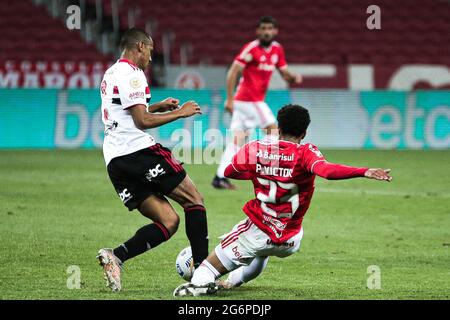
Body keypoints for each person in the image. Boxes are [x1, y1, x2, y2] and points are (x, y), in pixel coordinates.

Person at [174, 104, 392, 297]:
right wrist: (364, 171)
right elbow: (327, 171)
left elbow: (230, 171)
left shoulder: (256, 148)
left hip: (259, 231)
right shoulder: (306, 153)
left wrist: (260, 171)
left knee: (205, 269)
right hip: (291, 239)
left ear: (278, 128)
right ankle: (230, 283)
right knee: (261, 255)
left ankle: (199, 286)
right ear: (304, 132)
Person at [97, 28, 209, 292]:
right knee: (194, 200)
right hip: (138, 152)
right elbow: (142, 121)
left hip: (116, 160)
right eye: (150, 50)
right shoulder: (133, 74)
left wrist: (157, 106)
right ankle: (204, 273)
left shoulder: (112, 72)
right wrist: (181, 113)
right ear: (139, 47)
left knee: (168, 222)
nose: (151, 57)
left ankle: (116, 256)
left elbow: (125, 111)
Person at [212, 16, 302, 190]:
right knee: (274, 132)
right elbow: (232, 72)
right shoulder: (251, 48)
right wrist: (229, 99)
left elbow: (284, 74)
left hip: (248, 102)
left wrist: (294, 77)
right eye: (263, 28)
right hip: (248, 99)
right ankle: (266, 170)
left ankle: (219, 178)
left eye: (270, 28)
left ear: (275, 31)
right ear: (258, 31)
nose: (266, 31)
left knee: (236, 141)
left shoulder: (277, 50)